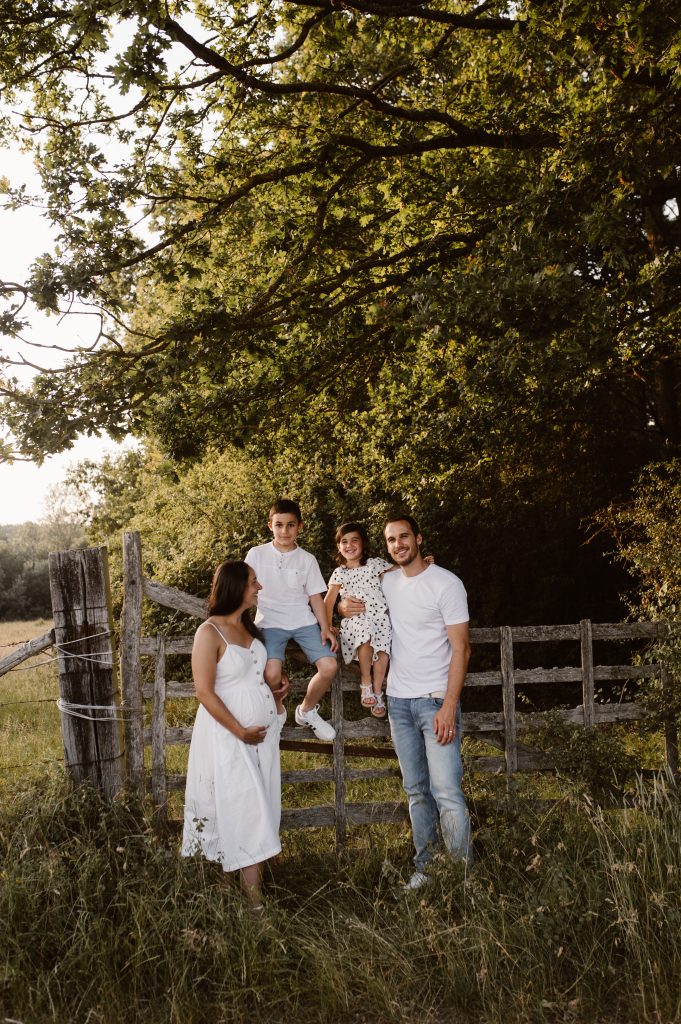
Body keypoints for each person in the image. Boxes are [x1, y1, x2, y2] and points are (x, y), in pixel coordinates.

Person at [339, 515, 472, 889]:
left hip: (434, 702)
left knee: (447, 792)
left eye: (404, 537)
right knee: (416, 791)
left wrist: (449, 704)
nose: (398, 544)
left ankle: (461, 877)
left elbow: (462, 649)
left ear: (418, 538)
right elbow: (353, 595)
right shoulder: (387, 582)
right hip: (397, 702)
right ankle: (427, 869)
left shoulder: (445, 583)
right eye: (391, 540)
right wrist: (340, 608)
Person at [181, 560, 288, 911]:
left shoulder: (249, 629)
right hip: (228, 736)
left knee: (255, 805)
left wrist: (273, 698)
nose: (258, 588)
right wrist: (239, 730)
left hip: (260, 738)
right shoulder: (209, 633)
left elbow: (253, 680)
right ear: (235, 586)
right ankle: (254, 905)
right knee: (245, 808)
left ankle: (225, 893)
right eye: (253, 582)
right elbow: (204, 692)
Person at [245, 499, 338, 741]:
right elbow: (244, 590)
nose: (284, 531)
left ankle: (306, 711)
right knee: (271, 674)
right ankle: (277, 709)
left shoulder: (307, 560)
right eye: (279, 525)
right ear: (270, 526)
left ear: (300, 527)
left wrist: (325, 628)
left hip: (303, 621)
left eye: (290, 525)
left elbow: (316, 598)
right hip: (269, 622)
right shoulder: (256, 554)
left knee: (330, 666)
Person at [324, 521, 393, 718]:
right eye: (344, 541)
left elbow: (401, 569)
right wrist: (328, 627)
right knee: (366, 629)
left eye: (355, 540)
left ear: (363, 544)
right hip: (355, 621)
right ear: (339, 546)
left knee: (383, 644)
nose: (349, 545)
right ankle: (365, 682)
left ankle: (378, 691)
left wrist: (422, 562)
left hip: (379, 617)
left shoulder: (374, 565)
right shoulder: (340, 573)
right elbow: (328, 602)